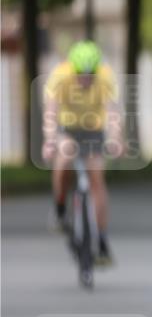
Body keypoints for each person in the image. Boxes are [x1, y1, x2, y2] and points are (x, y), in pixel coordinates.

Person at [42, 40, 122, 264]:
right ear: (72, 67)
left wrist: (115, 139)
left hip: (93, 129)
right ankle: (59, 209)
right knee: (64, 159)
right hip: (67, 127)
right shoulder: (60, 75)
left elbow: (113, 113)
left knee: (97, 180)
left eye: (90, 75)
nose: (85, 80)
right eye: (81, 75)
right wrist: (49, 140)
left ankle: (103, 241)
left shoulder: (106, 77)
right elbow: (50, 111)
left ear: (97, 70)